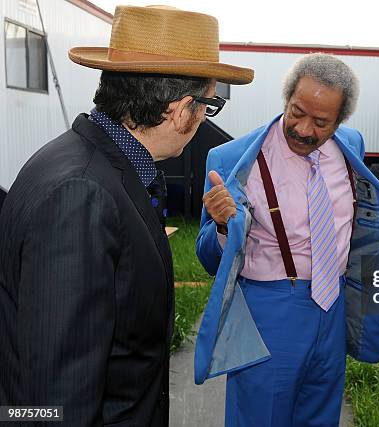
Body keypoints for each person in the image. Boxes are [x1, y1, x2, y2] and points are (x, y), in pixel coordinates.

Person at [0, 6, 253, 426]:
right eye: (209, 106)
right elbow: (56, 400)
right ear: (181, 108)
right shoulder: (81, 193)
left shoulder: (97, 163)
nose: (204, 120)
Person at [194, 53, 379, 427]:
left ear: (340, 122)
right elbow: (208, 258)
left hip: (333, 307)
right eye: (297, 112)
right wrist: (223, 226)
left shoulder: (350, 145)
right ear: (286, 98)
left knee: (321, 416)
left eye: (321, 122)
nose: (305, 129)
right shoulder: (230, 160)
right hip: (269, 311)